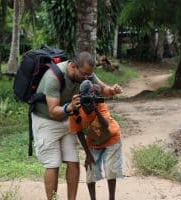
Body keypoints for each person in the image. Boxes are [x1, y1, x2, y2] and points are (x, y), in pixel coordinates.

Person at [31, 51, 122, 200]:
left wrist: (113, 90)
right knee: (53, 163)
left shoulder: (86, 74)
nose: (87, 78)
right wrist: (70, 107)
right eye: (84, 75)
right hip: (46, 120)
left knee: (73, 160)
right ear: (73, 66)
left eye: (89, 75)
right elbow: (53, 111)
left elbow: (103, 89)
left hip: (68, 118)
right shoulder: (53, 77)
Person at [69, 80, 123, 200]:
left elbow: (105, 125)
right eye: (85, 101)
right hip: (93, 142)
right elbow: (79, 132)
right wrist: (88, 154)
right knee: (90, 170)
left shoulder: (99, 104)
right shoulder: (75, 110)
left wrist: (96, 109)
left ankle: (111, 198)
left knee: (111, 170)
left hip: (111, 138)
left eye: (90, 100)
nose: (87, 105)